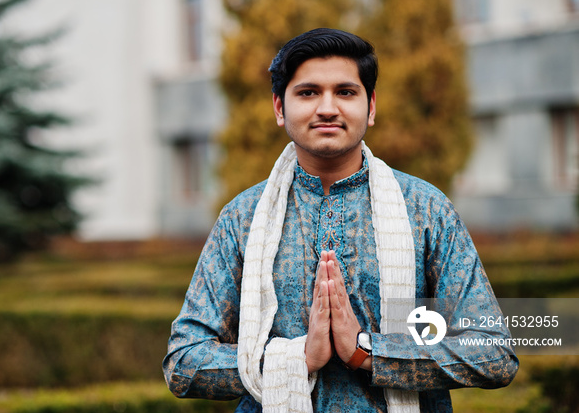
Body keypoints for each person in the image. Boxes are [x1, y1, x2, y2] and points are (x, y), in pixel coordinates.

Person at [163, 28, 518, 412]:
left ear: (371, 106)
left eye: (345, 92)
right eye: (308, 92)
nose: (328, 108)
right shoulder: (242, 218)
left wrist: (367, 352)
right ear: (280, 108)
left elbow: (493, 351)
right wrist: (296, 359)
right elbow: (183, 362)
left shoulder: (426, 209)